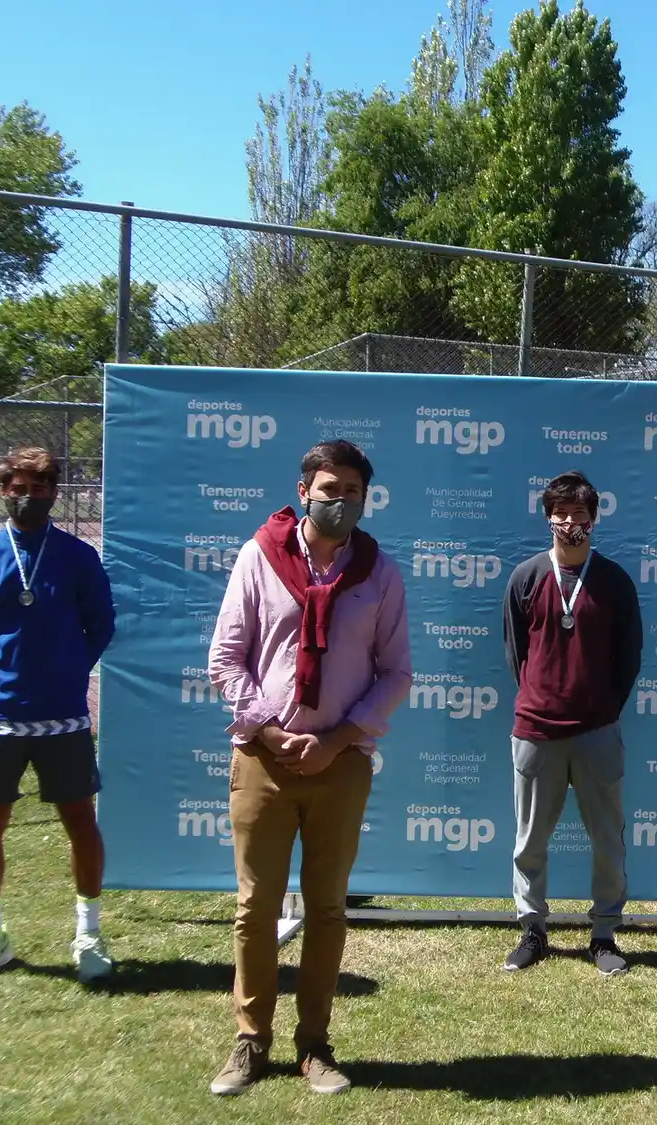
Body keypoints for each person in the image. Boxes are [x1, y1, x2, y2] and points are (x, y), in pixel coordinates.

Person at [206, 440, 412, 1096]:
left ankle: (314, 1044)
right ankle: (249, 1039)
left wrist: (337, 738)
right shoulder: (258, 557)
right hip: (262, 759)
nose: (340, 500)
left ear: (365, 497)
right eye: (329, 488)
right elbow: (226, 657)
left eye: (352, 489)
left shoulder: (379, 572)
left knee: (326, 907)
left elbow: (396, 671)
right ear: (304, 490)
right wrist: (268, 726)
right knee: (255, 906)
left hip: (340, 762)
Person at [0, 447, 116, 986]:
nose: (29, 496)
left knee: (80, 821)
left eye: (40, 488)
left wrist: (65, 671)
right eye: (19, 487)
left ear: (54, 493)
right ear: (3, 490)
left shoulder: (78, 556)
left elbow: (101, 625)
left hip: (61, 716)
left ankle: (88, 935)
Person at [501, 470, 642, 976]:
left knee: (607, 838)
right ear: (548, 518)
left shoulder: (614, 581)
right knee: (530, 840)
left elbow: (629, 659)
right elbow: (517, 652)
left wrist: (601, 706)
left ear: (594, 519)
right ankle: (532, 929)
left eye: (579, 516)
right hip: (536, 729)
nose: (569, 523)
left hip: (597, 731)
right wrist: (544, 695)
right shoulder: (526, 577)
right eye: (561, 515)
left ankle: (604, 933)